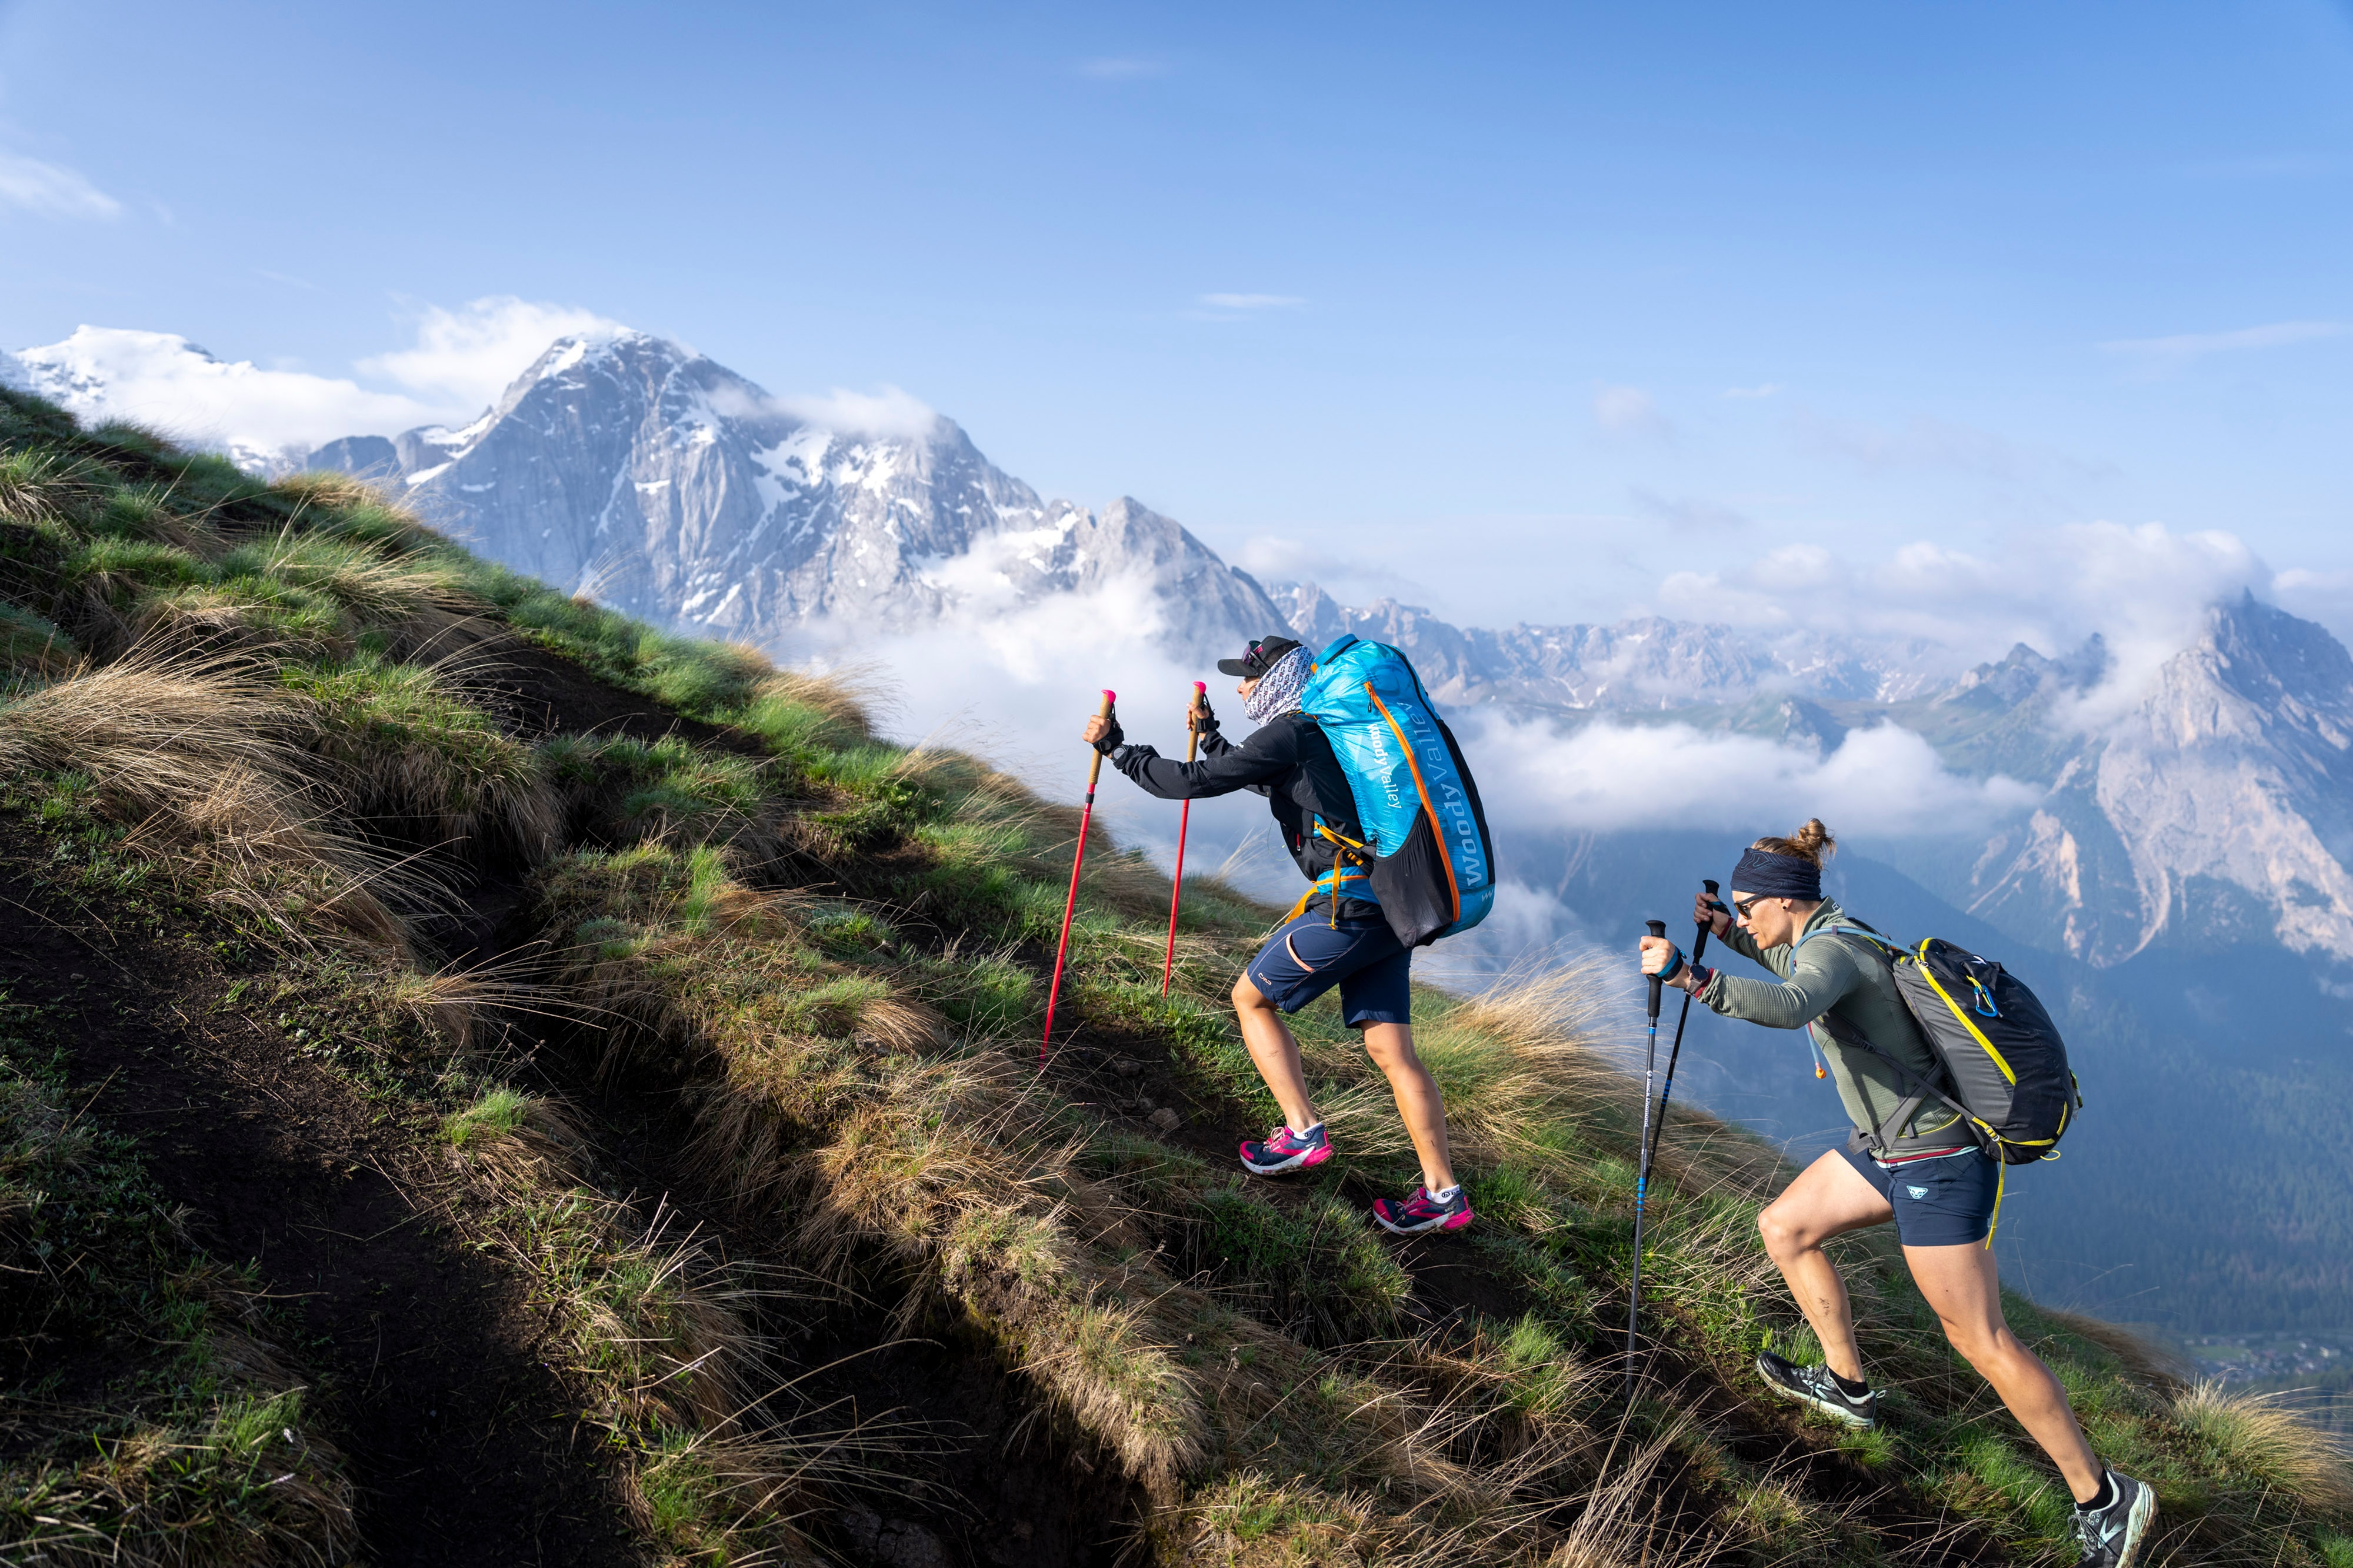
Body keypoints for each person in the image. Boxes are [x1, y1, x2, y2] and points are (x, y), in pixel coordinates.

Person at [1637, 820, 2155, 1568]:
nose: (1742, 916)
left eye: (1747, 906)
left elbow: (1792, 1003)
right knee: (1784, 1227)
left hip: (1937, 1158)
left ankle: (2104, 1498)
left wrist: (1691, 975)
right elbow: (1788, 963)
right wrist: (1728, 934)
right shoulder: (1829, 933)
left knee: (1981, 1339)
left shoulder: (1834, 951)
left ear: (1785, 901)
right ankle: (1846, 1385)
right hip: (1888, 1145)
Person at [1080, 634, 1471, 1235]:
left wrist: (1119, 750)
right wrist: (1214, 737)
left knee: (1249, 997)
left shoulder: (1292, 729)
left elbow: (1193, 781)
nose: (1240, 688)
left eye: (1248, 678)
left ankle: (1301, 1133)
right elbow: (1278, 783)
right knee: (1392, 1052)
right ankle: (1443, 1194)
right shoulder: (1321, 732)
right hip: (1389, 906)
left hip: (1349, 907)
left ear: (1278, 679)